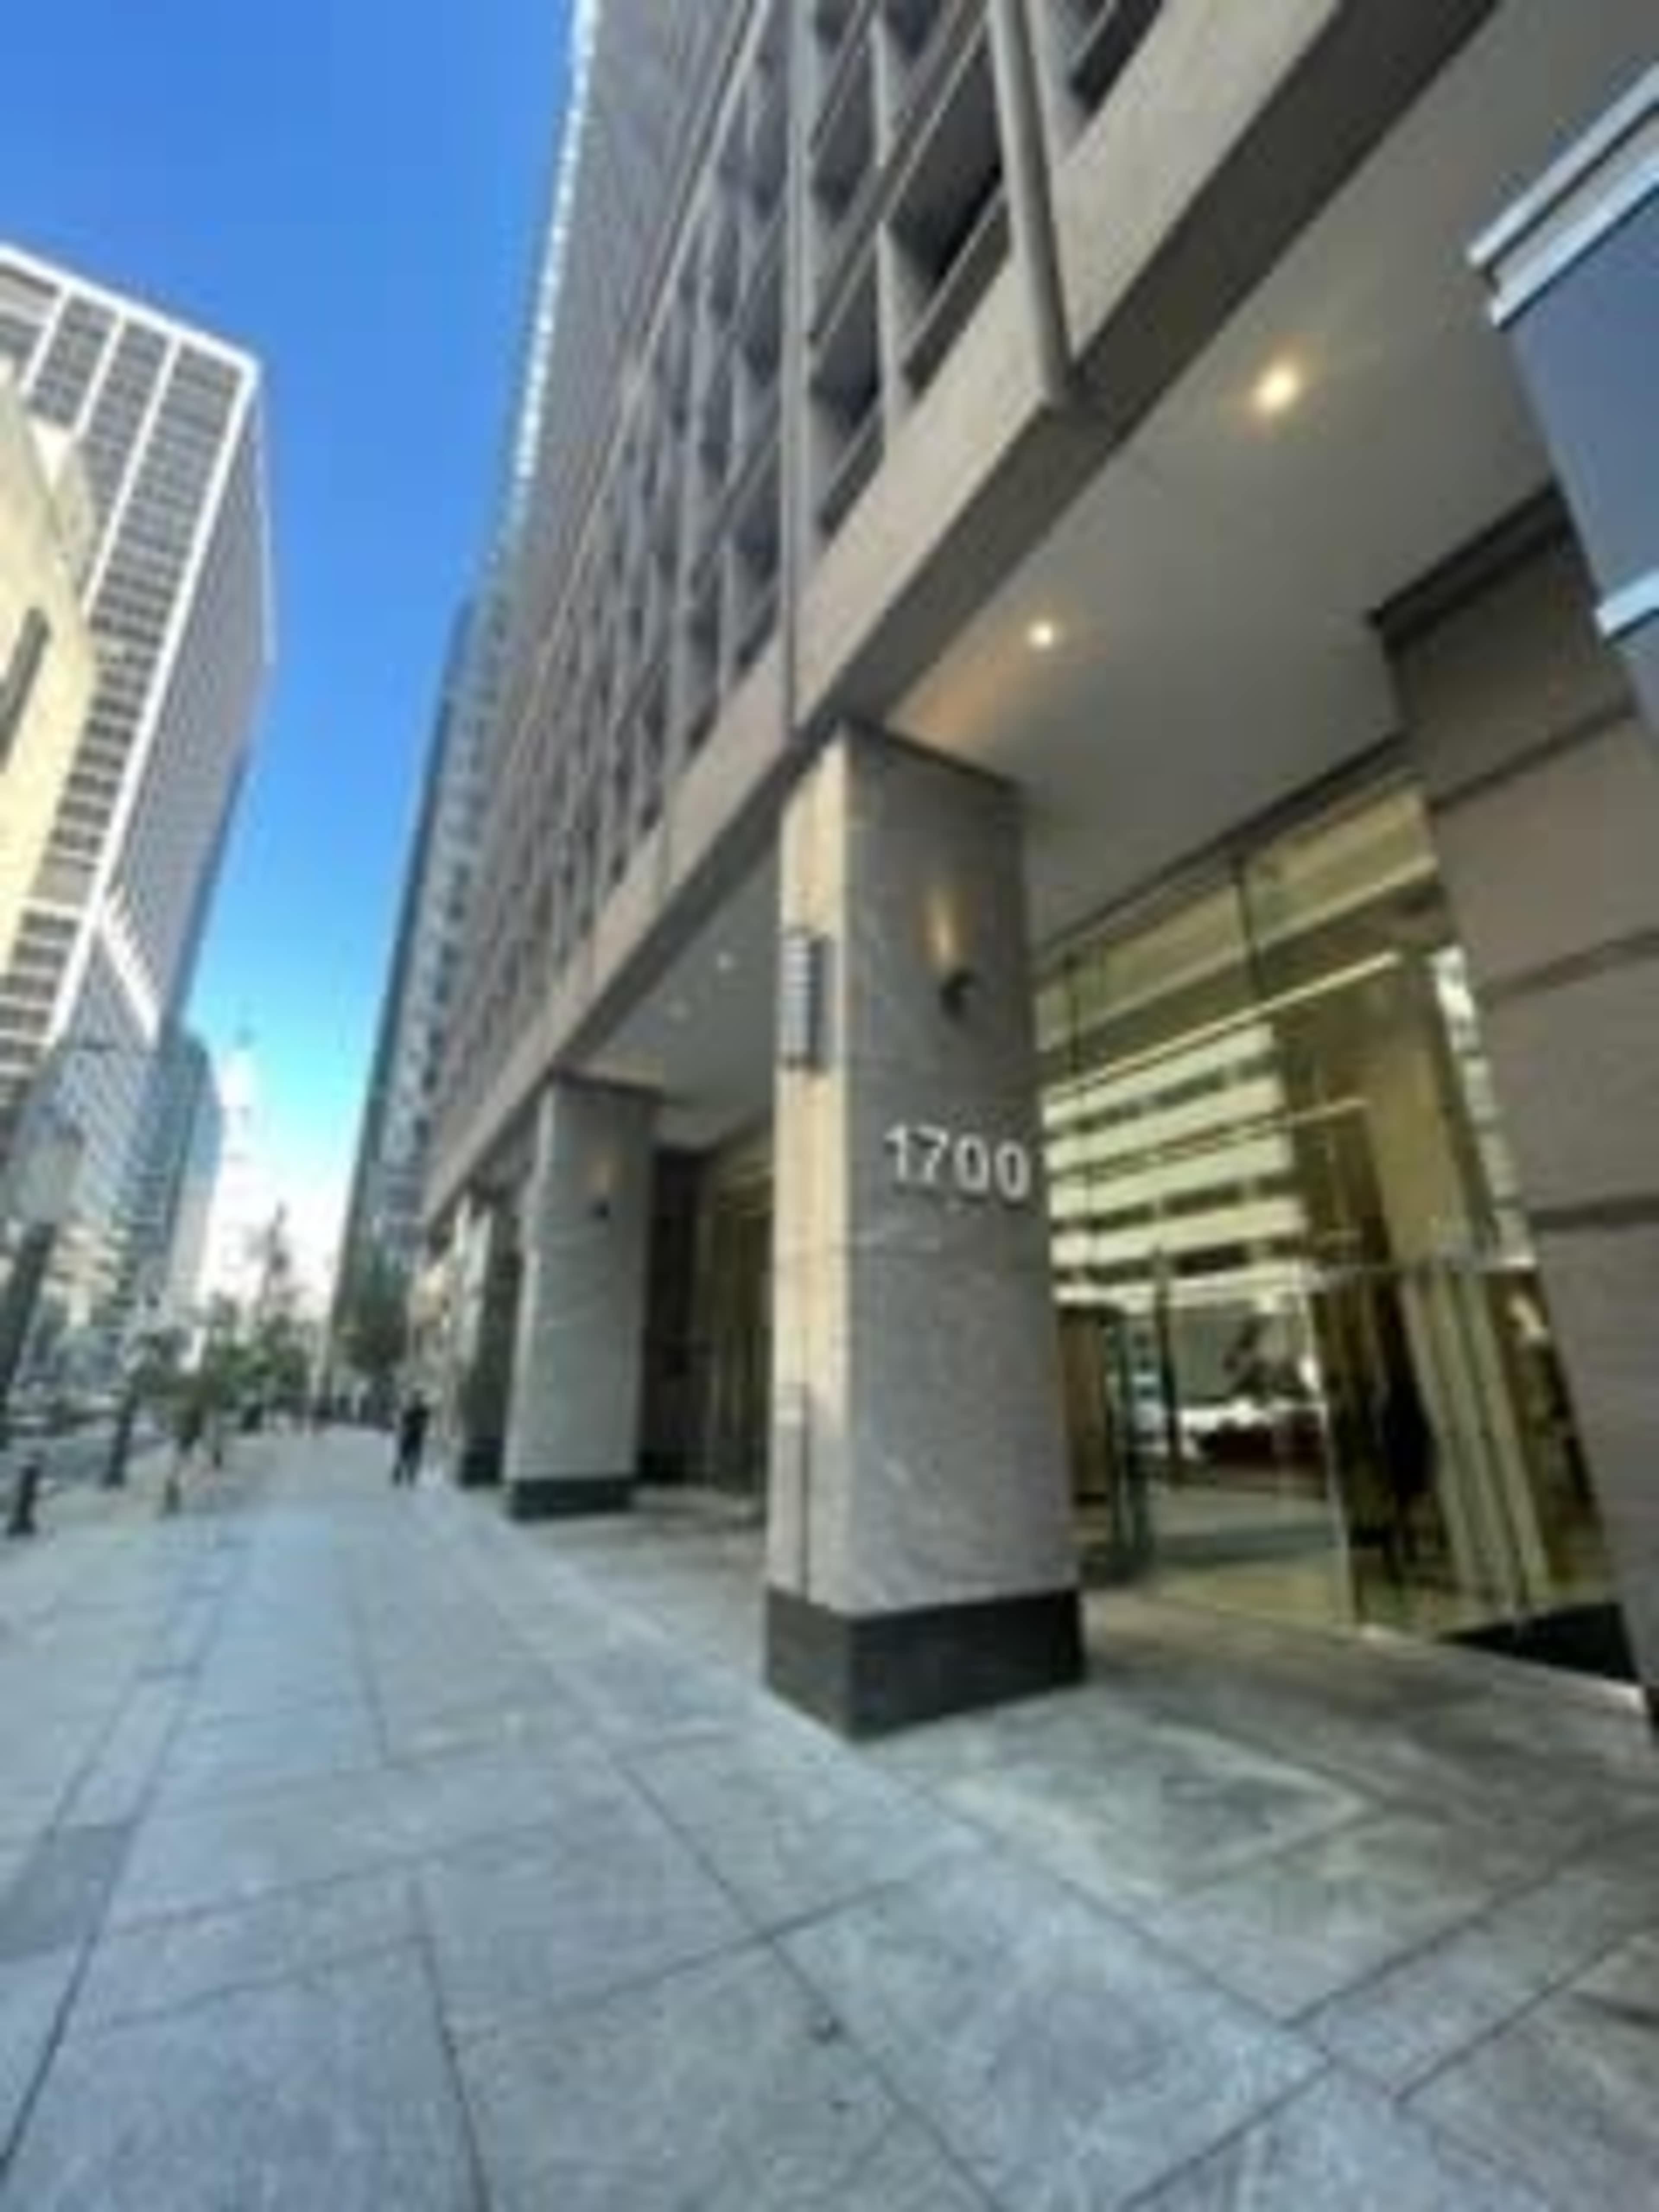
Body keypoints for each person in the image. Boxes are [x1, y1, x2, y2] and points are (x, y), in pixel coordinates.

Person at [391, 1391, 429, 1487]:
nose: (416, 1400)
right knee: (403, 1458)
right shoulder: (408, 1409)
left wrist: (421, 1426)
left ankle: (411, 1477)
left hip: (417, 1437)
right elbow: (402, 1422)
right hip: (407, 1436)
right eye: (415, 1398)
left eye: (418, 1398)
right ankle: (398, 1476)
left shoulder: (423, 1411)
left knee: (415, 1459)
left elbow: (425, 1424)